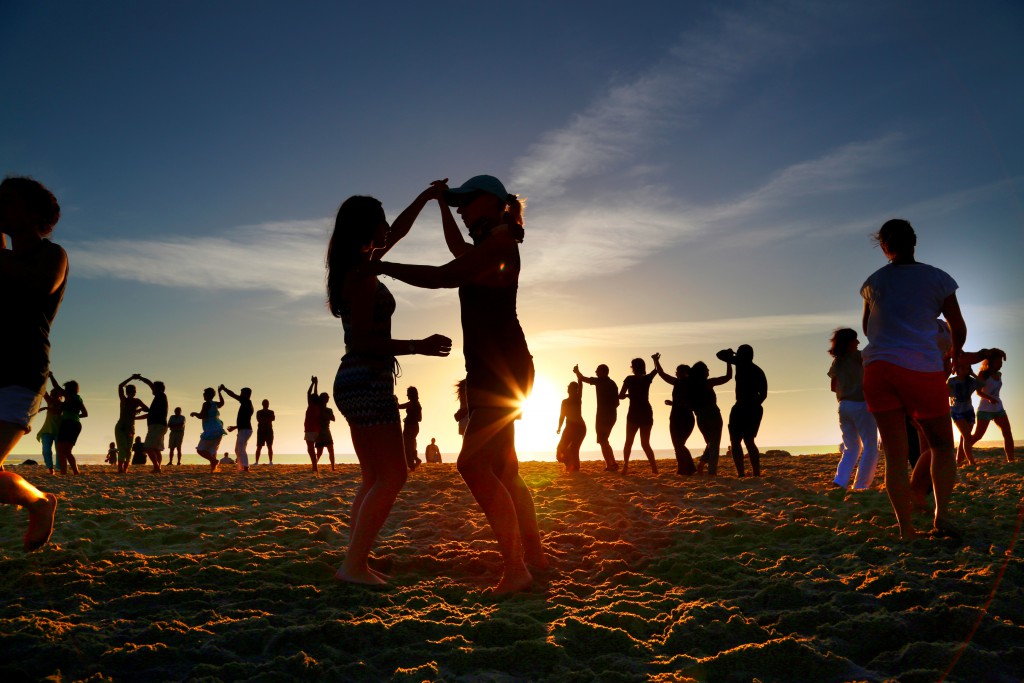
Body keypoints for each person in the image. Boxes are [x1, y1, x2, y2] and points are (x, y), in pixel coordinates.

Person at [370, 175, 547, 594]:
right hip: (499, 368)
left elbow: (444, 275)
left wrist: (381, 267)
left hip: (500, 371)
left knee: (471, 464)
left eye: (466, 203)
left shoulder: (500, 247)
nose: (461, 210)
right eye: (458, 204)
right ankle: (535, 557)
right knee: (505, 470)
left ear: (491, 202)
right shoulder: (491, 245)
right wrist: (438, 204)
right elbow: (457, 251)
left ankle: (517, 569)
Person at [327, 190, 452, 586]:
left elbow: (397, 231)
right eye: (380, 219)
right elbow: (363, 341)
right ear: (365, 226)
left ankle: (356, 557)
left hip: (356, 380)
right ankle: (353, 566)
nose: (386, 225)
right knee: (393, 475)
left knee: (373, 477)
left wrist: (427, 197)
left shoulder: (357, 265)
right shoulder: (362, 275)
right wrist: (419, 346)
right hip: (366, 379)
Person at [860, 219, 966, 539]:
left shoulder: (873, 282)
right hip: (921, 367)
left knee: (895, 456)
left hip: (878, 369)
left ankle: (905, 529)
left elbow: (867, 328)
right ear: (914, 241)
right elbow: (957, 325)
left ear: (884, 247)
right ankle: (941, 515)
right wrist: (955, 353)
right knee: (942, 446)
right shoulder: (938, 278)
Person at [0, 176, 65, 550]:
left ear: (35, 214)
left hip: (21, 373)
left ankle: (39, 502)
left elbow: (42, 283)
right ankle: (39, 502)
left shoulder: (51, 254)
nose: (1, 207)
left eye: (8, 201)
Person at [827, 328, 878, 490]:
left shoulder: (837, 362)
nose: (858, 342)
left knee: (851, 447)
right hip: (861, 404)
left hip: (843, 406)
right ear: (848, 342)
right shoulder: (860, 356)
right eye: (855, 339)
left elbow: (833, 387)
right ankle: (861, 485)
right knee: (870, 446)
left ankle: (840, 481)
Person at [721, 345, 768, 477]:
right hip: (750, 407)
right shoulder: (756, 370)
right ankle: (752, 473)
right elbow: (763, 394)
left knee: (740, 441)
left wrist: (730, 353)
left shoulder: (741, 364)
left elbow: (720, 355)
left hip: (744, 406)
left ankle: (744, 473)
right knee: (745, 441)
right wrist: (755, 405)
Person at [652, 353, 696, 476]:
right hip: (676, 417)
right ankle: (683, 468)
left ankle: (688, 468)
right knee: (677, 445)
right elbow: (662, 374)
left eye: (678, 371)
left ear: (684, 372)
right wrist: (656, 361)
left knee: (679, 444)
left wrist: (656, 361)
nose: (676, 373)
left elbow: (690, 402)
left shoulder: (691, 385)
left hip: (686, 418)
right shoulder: (677, 383)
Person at [687, 359, 732, 476]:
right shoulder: (708, 383)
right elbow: (728, 377)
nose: (708, 371)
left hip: (700, 418)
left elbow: (689, 405)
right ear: (702, 372)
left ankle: (702, 463)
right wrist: (728, 361)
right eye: (707, 369)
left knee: (710, 443)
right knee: (714, 444)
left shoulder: (691, 386)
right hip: (713, 416)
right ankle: (711, 471)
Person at [573, 364, 620, 471]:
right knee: (605, 441)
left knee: (603, 441)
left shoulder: (600, 381)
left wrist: (577, 372)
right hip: (611, 415)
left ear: (603, 372)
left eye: (598, 370)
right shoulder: (612, 384)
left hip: (603, 416)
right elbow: (617, 403)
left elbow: (583, 378)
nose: (596, 372)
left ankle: (609, 465)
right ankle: (613, 463)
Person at [970, 353, 1014, 463]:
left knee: (1007, 433)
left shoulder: (999, 374)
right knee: (978, 436)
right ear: (991, 362)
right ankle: (960, 452)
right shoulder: (983, 374)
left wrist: (994, 399)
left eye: (1001, 362)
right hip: (985, 409)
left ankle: (1011, 460)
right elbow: (978, 392)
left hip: (999, 408)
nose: (1000, 364)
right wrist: (989, 398)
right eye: (998, 362)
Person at [618, 358, 659, 475]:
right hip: (646, 412)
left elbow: (620, 395)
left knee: (628, 442)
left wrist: (628, 395)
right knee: (645, 443)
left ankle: (625, 466)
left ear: (633, 367)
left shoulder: (629, 379)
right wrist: (656, 360)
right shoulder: (647, 378)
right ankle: (654, 467)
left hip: (634, 413)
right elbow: (656, 370)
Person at [947, 359, 981, 466]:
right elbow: (946, 393)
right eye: (962, 368)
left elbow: (982, 383)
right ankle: (971, 461)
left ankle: (959, 459)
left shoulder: (971, 381)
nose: (965, 370)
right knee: (967, 436)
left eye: (967, 368)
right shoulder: (952, 381)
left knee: (964, 437)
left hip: (969, 412)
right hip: (956, 412)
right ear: (957, 368)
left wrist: (973, 374)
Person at [115, 375, 148, 473]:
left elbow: (147, 409)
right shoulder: (124, 400)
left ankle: (125, 468)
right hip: (121, 426)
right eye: (130, 391)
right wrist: (131, 378)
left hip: (130, 427)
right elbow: (120, 386)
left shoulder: (137, 401)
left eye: (134, 391)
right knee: (122, 448)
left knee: (129, 449)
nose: (132, 393)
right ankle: (120, 468)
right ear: (127, 392)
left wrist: (139, 409)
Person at [135, 375, 168, 473]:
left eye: (154, 388)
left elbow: (149, 383)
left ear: (157, 388)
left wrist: (141, 378)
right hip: (160, 426)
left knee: (148, 448)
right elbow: (149, 415)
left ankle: (156, 467)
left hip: (156, 426)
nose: (152, 390)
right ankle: (158, 467)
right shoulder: (159, 400)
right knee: (156, 449)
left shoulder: (161, 395)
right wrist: (135, 418)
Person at [54, 380, 86, 475]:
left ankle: (63, 472)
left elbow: (57, 387)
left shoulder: (69, 395)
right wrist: (74, 416)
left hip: (68, 424)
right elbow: (85, 414)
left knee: (60, 450)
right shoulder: (79, 399)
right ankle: (76, 471)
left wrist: (50, 376)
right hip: (76, 425)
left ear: (68, 389)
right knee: (68, 451)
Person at [190, 387, 226, 472]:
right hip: (218, 429)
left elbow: (202, 415)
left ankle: (214, 461)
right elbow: (222, 403)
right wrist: (219, 392)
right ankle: (213, 469)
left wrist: (194, 413)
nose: (203, 395)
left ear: (207, 395)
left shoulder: (206, 404)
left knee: (200, 450)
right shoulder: (215, 404)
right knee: (212, 451)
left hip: (211, 430)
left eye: (204, 394)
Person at [36, 373, 64, 475]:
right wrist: (44, 377)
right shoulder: (50, 402)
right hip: (47, 430)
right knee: (46, 450)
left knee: (59, 451)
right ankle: (50, 469)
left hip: (59, 432)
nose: (53, 396)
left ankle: (59, 468)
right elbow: (43, 391)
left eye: (55, 394)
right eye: (52, 394)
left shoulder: (63, 405)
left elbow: (57, 412)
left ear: (60, 396)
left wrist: (46, 408)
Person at [220, 385, 254, 472]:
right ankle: (242, 467)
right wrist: (235, 427)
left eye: (241, 393)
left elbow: (233, 395)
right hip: (244, 429)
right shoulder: (247, 404)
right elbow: (244, 420)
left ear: (246, 394)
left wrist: (224, 389)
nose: (240, 395)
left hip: (245, 430)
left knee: (241, 449)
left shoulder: (246, 401)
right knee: (238, 449)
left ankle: (245, 467)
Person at [556, 378, 586, 473]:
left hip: (579, 428)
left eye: (570, 388)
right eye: (568, 387)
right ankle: (569, 465)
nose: (568, 389)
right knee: (561, 448)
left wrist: (578, 375)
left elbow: (580, 386)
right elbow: (562, 416)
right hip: (569, 427)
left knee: (574, 448)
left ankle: (574, 467)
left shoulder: (577, 399)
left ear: (575, 390)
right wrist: (559, 427)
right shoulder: (564, 402)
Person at [399, 386, 423, 471]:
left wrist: (409, 418)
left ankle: (411, 465)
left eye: (408, 394)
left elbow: (399, 406)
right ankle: (415, 461)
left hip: (410, 427)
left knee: (407, 446)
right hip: (414, 427)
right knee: (411, 445)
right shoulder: (416, 403)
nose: (407, 395)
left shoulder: (412, 404)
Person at [304, 376, 322, 472]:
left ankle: (315, 467)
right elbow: (314, 394)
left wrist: (313, 383)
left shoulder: (311, 406)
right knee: (312, 449)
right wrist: (316, 383)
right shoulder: (317, 406)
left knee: (310, 449)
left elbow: (309, 393)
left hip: (310, 429)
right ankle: (315, 466)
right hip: (316, 429)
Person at [316, 392, 336, 471]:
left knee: (331, 450)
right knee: (319, 452)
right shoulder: (317, 409)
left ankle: (333, 467)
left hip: (327, 431)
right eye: (326, 397)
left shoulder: (329, 410)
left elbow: (333, 419)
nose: (327, 399)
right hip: (319, 432)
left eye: (328, 397)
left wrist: (325, 415)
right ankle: (315, 465)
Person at [255, 399, 275, 465]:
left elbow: (273, 418)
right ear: (262, 404)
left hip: (269, 431)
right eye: (265, 403)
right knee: (259, 446)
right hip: (261, 431)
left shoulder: (271, 412)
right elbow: (259, 419)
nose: (266, 405)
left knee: (269, 446)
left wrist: (264, 419)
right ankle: (257, 462)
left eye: (267, 403)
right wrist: (267, 419)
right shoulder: (259, 412)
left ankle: (270, 461)